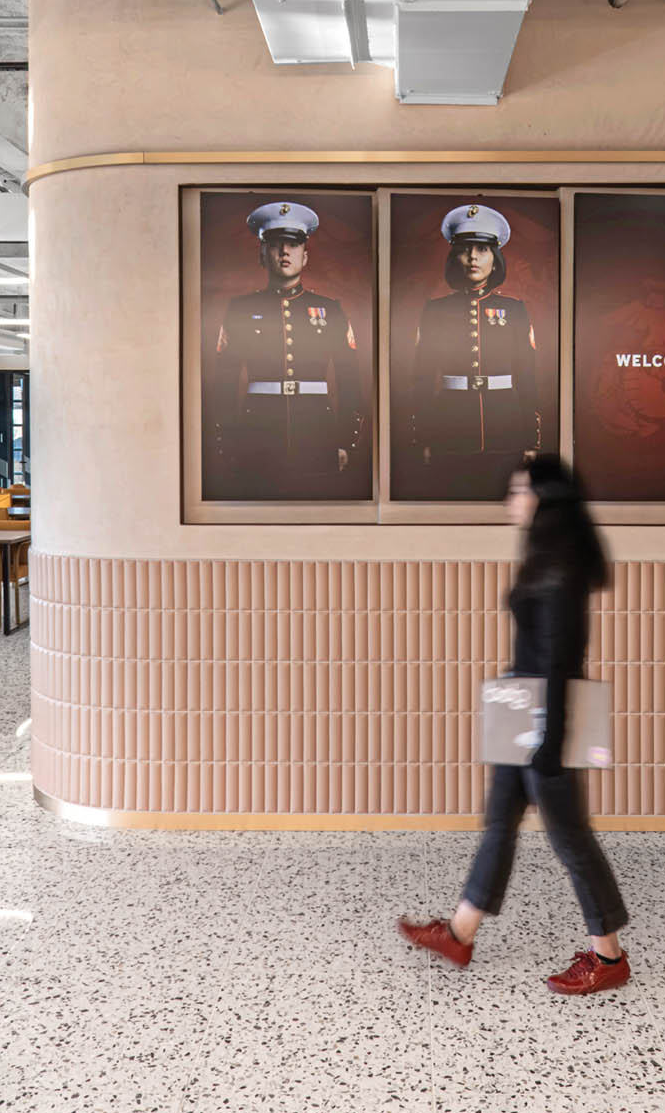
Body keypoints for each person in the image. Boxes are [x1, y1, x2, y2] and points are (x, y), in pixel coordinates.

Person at [397, 454, 630, 997]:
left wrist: (549, 739)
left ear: (545, 500)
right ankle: (459, 932)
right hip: (521, 717)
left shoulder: (559, 570)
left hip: (539, 725)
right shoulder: (546, 560)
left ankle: (609, 957)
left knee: (571, 840)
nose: (511, 500)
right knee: (500, 822)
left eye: (520, 491)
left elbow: (560, 663)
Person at [211, 201, 363, 498]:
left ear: (305, 257)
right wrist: (227, 439)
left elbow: (349, 378)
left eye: (293, 245)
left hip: (317, 429)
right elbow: (225, 381)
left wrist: (345, 438)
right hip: (257, 432)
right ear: (262, 255)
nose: (284, 252)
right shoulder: (240, 309)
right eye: (276, 245)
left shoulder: (330, 310)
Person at [408, 204, 542, 499]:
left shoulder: (515, 310)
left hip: (505, 428)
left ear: (495, 260)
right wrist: (425, 437)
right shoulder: (435, 311)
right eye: (465, 250)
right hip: (450, 428)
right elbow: (422, 378)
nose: (472, 257)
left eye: (482, 249)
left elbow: (526, 375)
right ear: (454, 258)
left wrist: (530, 439)